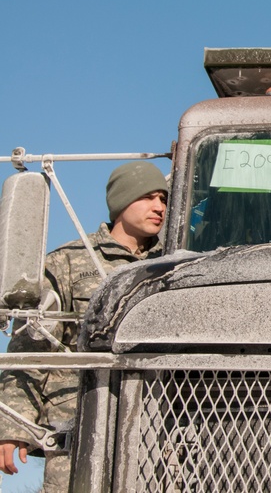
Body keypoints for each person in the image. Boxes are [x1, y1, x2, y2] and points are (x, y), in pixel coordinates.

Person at [0, 161, 168, 492]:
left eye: (163, 198)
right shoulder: (67, 260)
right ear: (121, 202)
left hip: (157, 426)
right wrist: (12, 427)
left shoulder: (174, 265)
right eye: (148, 197)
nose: (159, 207)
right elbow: (32, 347)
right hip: (77, 426)